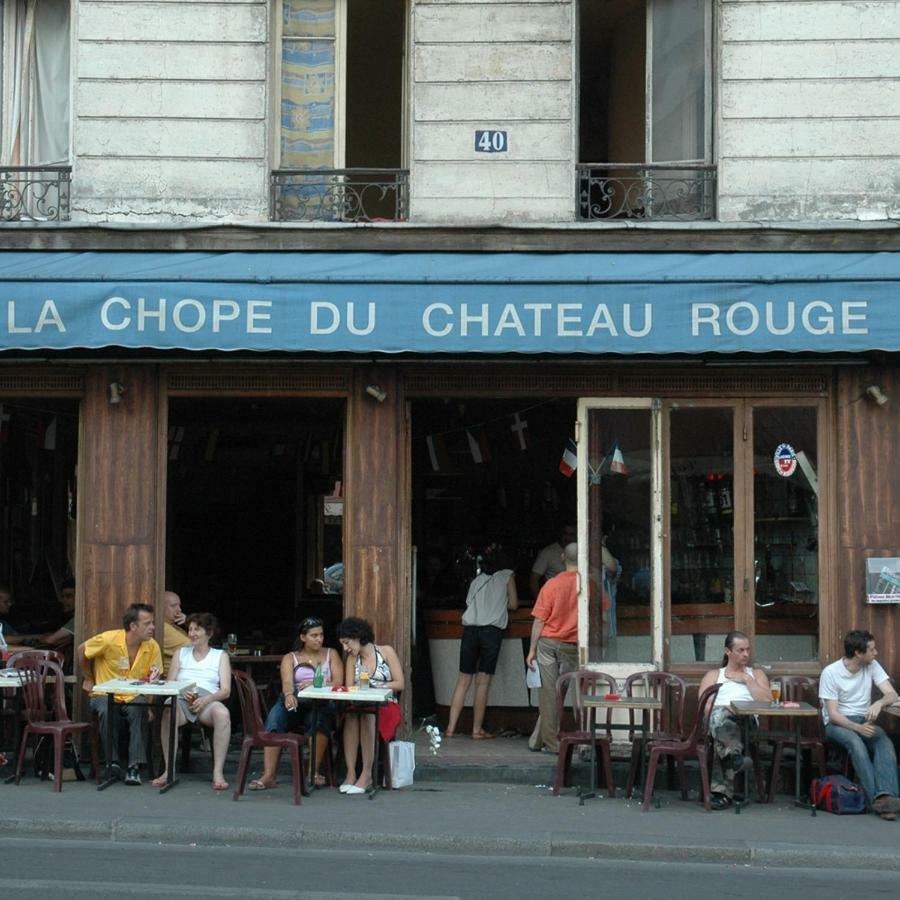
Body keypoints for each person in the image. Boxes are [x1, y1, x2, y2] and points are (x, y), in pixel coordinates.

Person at [249, 616, 343, 791]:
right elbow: (287, 682)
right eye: (314, 635)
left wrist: (318, 683)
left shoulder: (331, 654)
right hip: (297, 699)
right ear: (303, 638)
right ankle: (269, 775)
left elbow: (338, 682)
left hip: (321, 701)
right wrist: (289, 694)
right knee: (276, 718)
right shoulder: (291, 657)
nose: (319, 639)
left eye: (321, 635)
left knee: (321, 721)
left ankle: (312, 771)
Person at [819, 629, 900, 820]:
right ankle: (878, 801)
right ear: (858, 652)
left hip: (861, 721)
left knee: (883, 740)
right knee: (856, 743)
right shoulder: (831, 673)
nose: (875, 653)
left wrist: (879, 703)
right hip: (837, 724)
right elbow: (833, 714)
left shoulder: (871, 665)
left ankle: (887, 795)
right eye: (871, 649)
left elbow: (892, 694)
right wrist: (858, 728)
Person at [79, 603, 163, 786]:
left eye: (152, 623)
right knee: (106, 710)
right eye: (147, 623)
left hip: (133, 695)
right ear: (133, 626)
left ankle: (134, 766)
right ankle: (112, 761)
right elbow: (82, 650)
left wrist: (148, 705)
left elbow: (154, 678)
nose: (153, 627)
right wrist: (88, 678)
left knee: (138, 709)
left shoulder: (152, 646)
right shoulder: (109, 639)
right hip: (105, 693)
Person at [445, 545, 518, 739]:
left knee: (463, 680)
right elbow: (514, 604)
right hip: (491, 632)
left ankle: (450, 728)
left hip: (470, 631)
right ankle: (477, 730)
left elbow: (469, 603)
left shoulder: (477, 581)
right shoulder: (507, 576)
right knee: (483, 682)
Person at [154, 612, 232, 791]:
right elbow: (170, 682)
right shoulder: (180, 653)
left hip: (208, 699)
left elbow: (225, 690)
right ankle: (168, 770)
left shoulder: (220, 656)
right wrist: (182, 691)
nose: (192, 633)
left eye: (197, 629)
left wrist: (205, 700)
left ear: (209, 633)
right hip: (182, 697)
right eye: (190, 629)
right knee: (168, 711)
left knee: (223, 713)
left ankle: (218, 772)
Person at [698, 631, 771, 810]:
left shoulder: (756, 674)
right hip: (716, 722)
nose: (746, 654)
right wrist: (723, 710)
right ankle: (734, 756)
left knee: (723, 731)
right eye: (740, 650)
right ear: (727, 651)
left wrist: (747, 679)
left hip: (746, 723)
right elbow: (704, 705)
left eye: (747, 650)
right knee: (721, 718)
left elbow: (767, 701)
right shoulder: (715, 675)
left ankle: (722, 790)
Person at [337, 616, 404, 795]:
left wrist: (378, 686)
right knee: (351, 715)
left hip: (385, 704)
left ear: (358, 636)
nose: (346, 648)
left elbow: (399, 683)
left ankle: (366, 775)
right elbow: (349, 686)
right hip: (361, 703)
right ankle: (351, 773)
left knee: (368, 716)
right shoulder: (352, 659)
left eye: (347, 642)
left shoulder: (386, 652)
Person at [525, 542, 580, 754]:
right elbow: (601, 616)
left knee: (548, 695)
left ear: (563, 559)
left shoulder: (551, 585)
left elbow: (539, 621)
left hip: (547, 644)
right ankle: (549, 741)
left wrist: (531, 650)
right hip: (573, 645)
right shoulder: (588, 585)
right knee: (562, 693)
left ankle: (544, 742)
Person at [529, 524, 576, 600]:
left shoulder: (584, 551)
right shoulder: (548, 552)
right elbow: (534, 579)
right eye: (565, 534)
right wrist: (539, 602)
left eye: (571, 535)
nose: (567, 538)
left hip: (578, 599)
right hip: (555, 600)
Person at [37, 579, 77, 650]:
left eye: (68, 596)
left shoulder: (76, 620)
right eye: (62, 597)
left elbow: (49, 640)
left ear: (78, 598)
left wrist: (42, 638)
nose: (63, 600)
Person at [161, 590, 190, 674]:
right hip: (174, 679)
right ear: (161, 607)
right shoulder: (163, 627)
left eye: (179, 605)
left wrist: (188, 623)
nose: (179, 610)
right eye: (173, 606)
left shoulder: (173, 625)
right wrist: (191, 622)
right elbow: (197, 647)